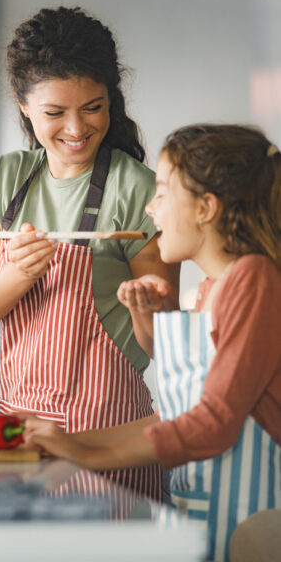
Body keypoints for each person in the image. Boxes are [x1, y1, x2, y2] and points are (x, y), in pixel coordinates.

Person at [21, 124, 281, 562]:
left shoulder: (253, 279)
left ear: (206, 208)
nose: (150, 207)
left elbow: (214, 423)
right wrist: (72, 440)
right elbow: (177, 415)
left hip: (253, 524)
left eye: (161, 191)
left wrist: (88, 456)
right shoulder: (211, 288)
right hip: (203, 511)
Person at [0, 6, 178, 499]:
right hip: (20, 425)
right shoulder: (8, 179)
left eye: (93, 107)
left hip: (109, 433)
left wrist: (149, 305)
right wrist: (17, 273)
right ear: (22, 103)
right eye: (55, 113)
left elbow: (161, 343)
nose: (76, 129)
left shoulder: (137, 188)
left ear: (111, 100)